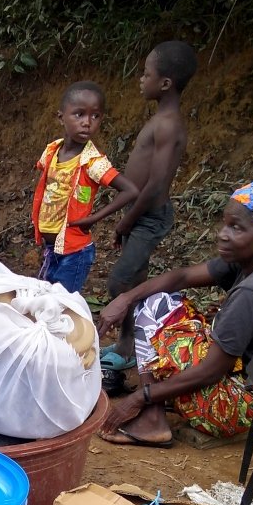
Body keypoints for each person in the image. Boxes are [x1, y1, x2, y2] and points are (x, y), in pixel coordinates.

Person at [96, 181, 253, 447]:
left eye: (236, 228)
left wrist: (141, 397)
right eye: (225, 223)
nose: (222, 234)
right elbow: (182, 276)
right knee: (156, 301)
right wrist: (126, 298)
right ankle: (156, 409)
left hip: (237, 407)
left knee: (152, 308)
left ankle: (152, 419)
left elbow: (210, 372)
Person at [77, 41, 198, 369]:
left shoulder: (169, 125)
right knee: (135, 279)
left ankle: (129, 346)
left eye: (146, 74)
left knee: (120, 282)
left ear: (165, 83)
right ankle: (133, 344)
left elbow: (157, 185)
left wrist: (127, 220)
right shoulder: (161, 119)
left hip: (148, 216)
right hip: (140, 214)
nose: (140, 80)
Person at [31, 81, 139, 294]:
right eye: (79, 115)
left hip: (75, 253)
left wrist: (93, 218)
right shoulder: (52, 151)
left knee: (62, 306)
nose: (87, 123)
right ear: (61, 117)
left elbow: (130, 190)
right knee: (46, 302)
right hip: (52, 248)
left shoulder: (93, 163)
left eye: (95, 116)